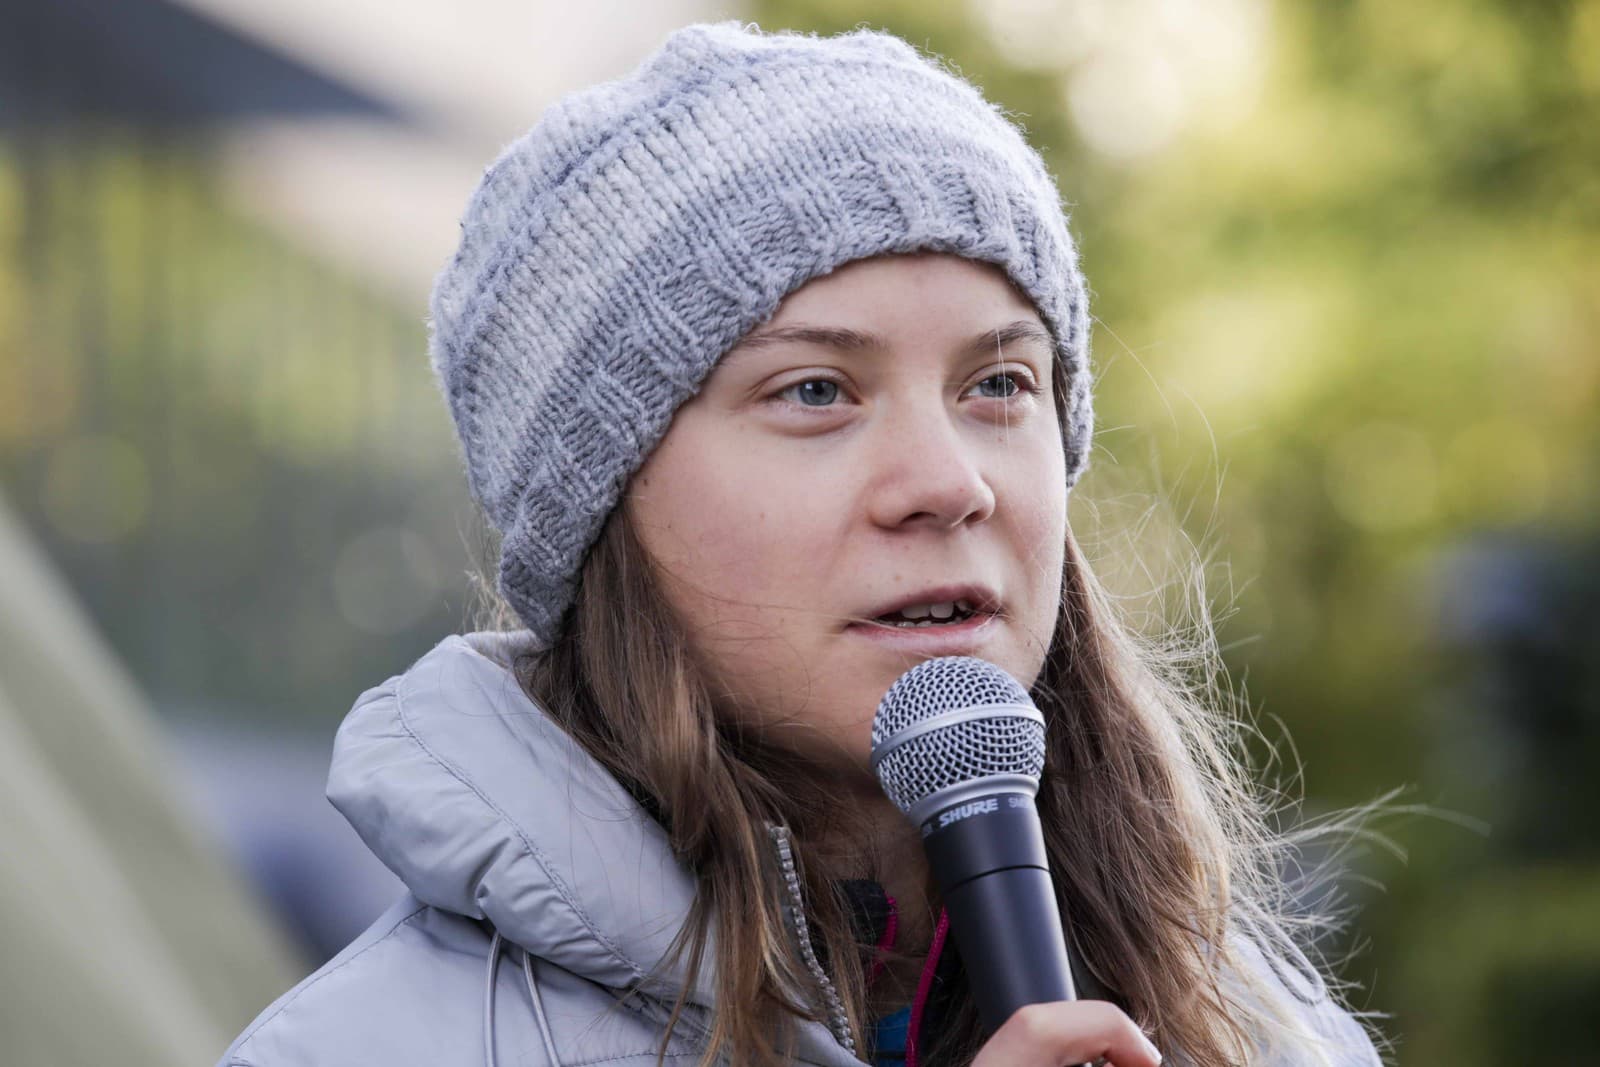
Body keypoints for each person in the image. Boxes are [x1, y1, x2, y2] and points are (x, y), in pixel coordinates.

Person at [218, 21, 1384, 1067]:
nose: (946, 482)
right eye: (817, 389)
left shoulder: (1263, 1030)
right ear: (601, 505)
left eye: (998, 382)